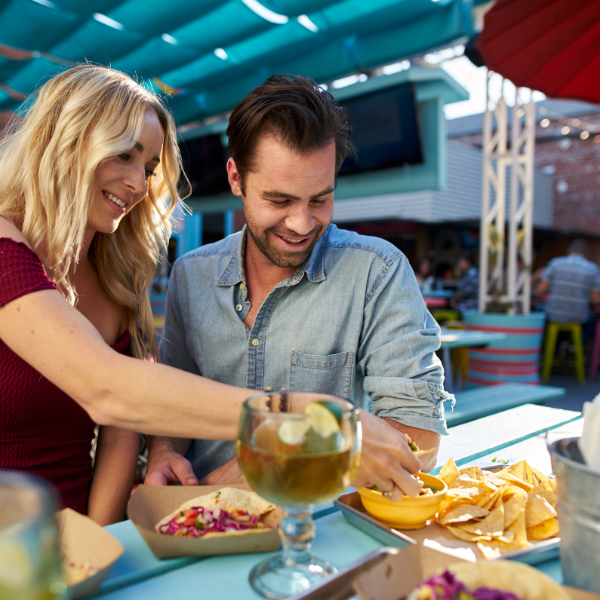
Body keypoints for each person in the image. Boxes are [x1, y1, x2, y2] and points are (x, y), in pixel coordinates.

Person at [0, 66, 425, 516]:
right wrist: (300, 416)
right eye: (123, 155)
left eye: (149, 168)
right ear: (63, 143)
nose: (140, 185)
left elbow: (124, 427)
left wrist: (99, 547)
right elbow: (110, 389)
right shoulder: (10, 247)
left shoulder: (116, 276)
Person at [145, 74, 454, 500]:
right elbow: (173, 400)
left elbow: (419, 438)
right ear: (236, 178)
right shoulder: (191, 275)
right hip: (192, 524)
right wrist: (163, 451)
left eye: (320, 199)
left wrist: (238, 478)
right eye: (279, 200)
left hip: (317, 530)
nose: (302, 224)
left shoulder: (377, 272)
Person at [537, 239, 600, 342]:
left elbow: (540, 290)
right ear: (586, 254)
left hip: (553, 315)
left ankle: (549, 349)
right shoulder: (593, 269)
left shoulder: (555, 263)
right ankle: (575, 348)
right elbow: (594, 300)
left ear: (569, 251)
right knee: (592, 322)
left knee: (539, 312)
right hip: (579, 317)